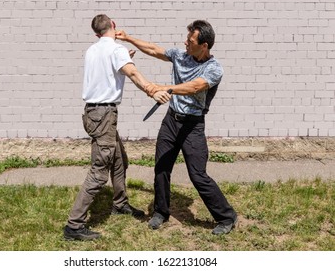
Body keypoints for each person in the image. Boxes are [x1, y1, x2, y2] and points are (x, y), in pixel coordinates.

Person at [115, 19, 238, 235]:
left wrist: (162, 88)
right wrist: (128, 38)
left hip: (193, 126)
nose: (186, 43)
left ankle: (226, 217)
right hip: (171, 121)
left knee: (198, 175)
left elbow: (194, 87)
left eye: (190, 41)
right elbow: (154, 50)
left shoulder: (214, 69)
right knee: (161, 167)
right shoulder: (181, 55)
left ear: (204, 45)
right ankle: (161, 212)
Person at [64, 14, 171, 241]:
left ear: (96, 33)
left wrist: (124, 58)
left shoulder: (92, 50)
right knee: (99, 172)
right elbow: (132, 73)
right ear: (113, 26)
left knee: (119, 159)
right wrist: (153, 90)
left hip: (94, 113)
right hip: (104, 115)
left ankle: (120, 204)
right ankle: (74, 225)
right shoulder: (116, 50)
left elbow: (105, 72)